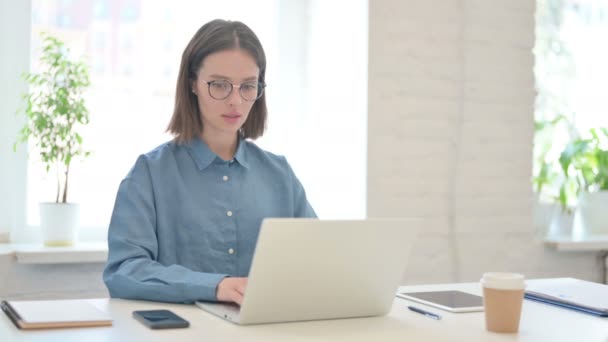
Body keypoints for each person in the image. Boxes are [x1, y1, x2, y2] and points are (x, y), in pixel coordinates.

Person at [103, 19, 316, 305]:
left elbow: (317, 260)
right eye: (219, 85)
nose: (236, 102)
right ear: (192, 84)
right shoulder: (150, 174)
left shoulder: (280, 175)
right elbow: (123, 271)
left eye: (248, 86)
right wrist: (216, 286)